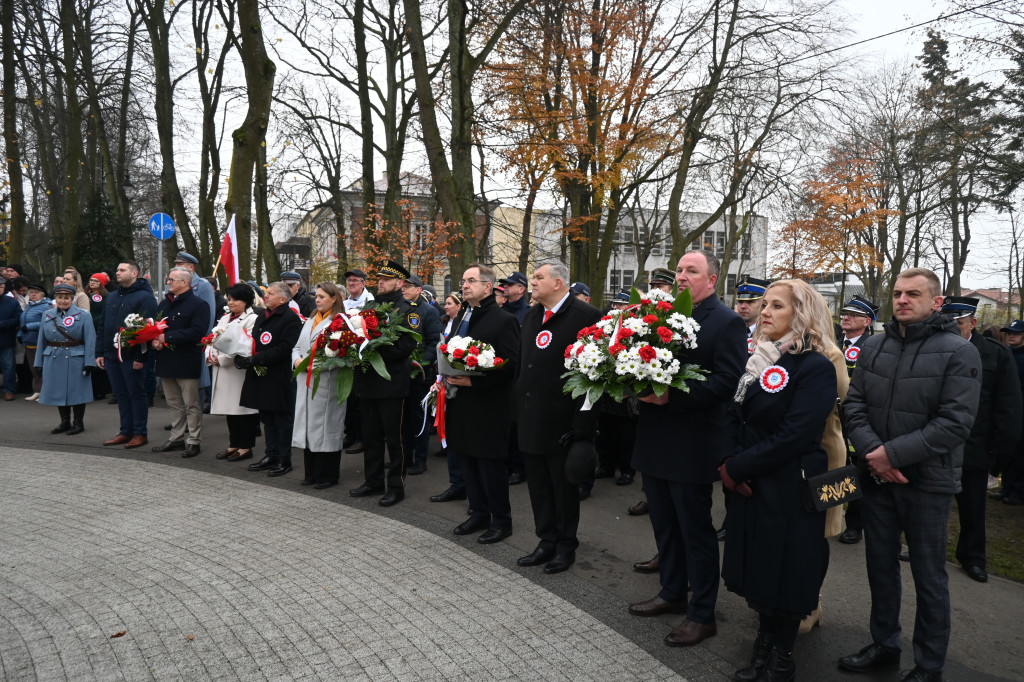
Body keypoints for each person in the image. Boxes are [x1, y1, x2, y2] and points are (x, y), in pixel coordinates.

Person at [838, 268, 981, 682]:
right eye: (898, 293)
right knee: (879, 567)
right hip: (878, 479)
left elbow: (955, 423)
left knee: (928, 576)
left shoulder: (958, 351)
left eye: (913, 294)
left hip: (928, 483)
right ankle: (884, 644)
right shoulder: (876, 347)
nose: (902, 300)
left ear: (936, 302)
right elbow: (855, 405)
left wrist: (891, 455)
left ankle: (929, 665)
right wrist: (873, 454)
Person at [721, 280, 839, 681]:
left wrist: (738, 467)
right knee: (760, 568)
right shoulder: (759, 359)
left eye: (777, 306)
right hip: (753, 483)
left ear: (800, 314)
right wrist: (727, 459)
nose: (764, 311)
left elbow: (796, 434)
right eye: (764, 304)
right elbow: (735, 415)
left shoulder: (815, 366)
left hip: (788, 486)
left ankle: (782, 657)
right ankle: (762, 648)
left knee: (786, 572)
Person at [628, 250, 746, 648]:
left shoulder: (726, 322)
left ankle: (703, 614)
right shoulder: (656, 316)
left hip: (692, 444)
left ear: (712, 280)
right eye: (679, 270)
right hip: (655, 439)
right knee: (664, 526)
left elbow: (727, 383)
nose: (681, 276)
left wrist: (670, 397)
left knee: (695, 533)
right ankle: (672, 592)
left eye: (691, 271)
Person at [514, 261, 602, 574]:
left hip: (563, 424)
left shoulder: (587, 317)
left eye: (538, 277)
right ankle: (546, 540)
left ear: (558, 283)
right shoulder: (531, 314)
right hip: (530, 418)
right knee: (538, 487)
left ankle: (566, 546)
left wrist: (582, 429)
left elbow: (595, 377)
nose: (532, 282)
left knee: (563, 490)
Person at [942, 297, 1021, 583]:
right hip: (934, 444)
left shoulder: (995, 354)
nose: (950, 330)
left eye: (958, 324)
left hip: (974, 446)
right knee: (929, 504)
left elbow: (1008, 404)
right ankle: (924, 549)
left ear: (973, 323)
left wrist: (999, 452)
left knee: (973, 507)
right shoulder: (932, 349)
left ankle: (973, 558)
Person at [443, 264, 520, 543]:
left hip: (489, 406)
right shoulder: (464, 314)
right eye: (463, 281)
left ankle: (501, 520)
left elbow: (511, 366)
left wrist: (474, 382)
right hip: (460, 403)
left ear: (488, 287)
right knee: (467, 460)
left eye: (471, 280)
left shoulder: (504, 320)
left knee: (490, 466)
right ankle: (478, 513)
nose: (464, 285)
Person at [348, 260, 417, 507]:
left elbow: (407, 346)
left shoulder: (408, 310)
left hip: (391, 384)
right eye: (379, 278)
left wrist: (371, 350)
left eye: (386, 279)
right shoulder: (370, 306)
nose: (381, 282)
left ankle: (396, 486)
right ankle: (373, 481)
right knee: (371, 437)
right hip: (367, 383)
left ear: (399, 283)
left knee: (394, 439)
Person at [236, 282, 303, 477]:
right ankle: (270, 454)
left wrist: (255, 359)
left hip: (279, 376)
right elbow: (255, 341)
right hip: (261, 374)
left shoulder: (290, 318)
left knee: (281, 419)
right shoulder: (262, 316)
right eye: (267, 293)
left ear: (283, 299)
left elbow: (285, 347)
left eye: (271, 294)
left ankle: (284, 458)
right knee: (267, 418)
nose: (266, 296)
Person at [291, 282, 348, 488]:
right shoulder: (310, 319)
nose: (317, 299)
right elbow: (297, 346)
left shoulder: (341, 322)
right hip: (305, 380)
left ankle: (328, 475)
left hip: (326, 382)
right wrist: (297, 360)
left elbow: (340, 352)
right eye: (317, 296)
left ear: (334, 298)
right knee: (308, 427)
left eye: (323, 296)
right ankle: (311, 472)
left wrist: (310, 364)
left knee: (326, 428)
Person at [150, 267, 211, 457]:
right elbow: (156, 328)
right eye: (169, 280)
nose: (168, 283)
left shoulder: (199, 304)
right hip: (166, 359)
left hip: (186, 359)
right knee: (174, 403)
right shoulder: (164, 304)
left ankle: (194, 440)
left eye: (171, 280)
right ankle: (176, 438)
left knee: (191, 404)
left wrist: (166, 337)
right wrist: (155, 341)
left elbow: (197, 332)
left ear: (185, 283)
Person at [97, 261, 158, 449]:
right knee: (121, 394)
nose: (118, 273)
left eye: (122, 270)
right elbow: (103, 325)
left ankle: (140, 433)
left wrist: (141, 357)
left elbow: (147, 328)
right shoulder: (113, 296)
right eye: (117, 270)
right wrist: (100, 352)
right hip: (112, 354)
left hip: (132, 356)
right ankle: (125, 431)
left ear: (134, 273)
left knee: (136, 394)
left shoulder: (145, 297)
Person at [836, 294, 879, 545]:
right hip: (831, 416)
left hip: (857, 417)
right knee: (833, 467)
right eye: (845, 314)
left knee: (856, 472)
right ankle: (830, 516)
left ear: (867, 321)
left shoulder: (872, 347)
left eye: (853, 315)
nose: (846, 317)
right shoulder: (833, 341)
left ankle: (854, 525)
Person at [33, 284, 98, 434]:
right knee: (58, 390)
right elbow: (41, 340)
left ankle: (78, 423)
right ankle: (64, 422)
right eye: (60, 297)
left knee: (77, 391)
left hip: (76, 357)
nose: (63, 301)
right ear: (55, 299)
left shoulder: (84, 315)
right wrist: (38, 362)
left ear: (72, 299)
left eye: (66, 298)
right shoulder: (47, 315)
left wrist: (90, 362)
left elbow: (90, 340)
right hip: (54, 357)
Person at [206, 283, 260, 463]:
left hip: (238, 371)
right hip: (222, 370)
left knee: (243, 410)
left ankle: (246, 447)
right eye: (229, 299)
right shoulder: (225, 318)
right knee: (230, 411)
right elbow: (213, 338)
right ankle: (233, 444)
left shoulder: (252, 318)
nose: (231, 303)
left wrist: (221, 359)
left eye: (235, 299)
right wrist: (210, 354)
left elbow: (245, 346)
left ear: (245, 301)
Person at [401, 274, 444, 476]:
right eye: (403, 286)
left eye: (408, 286)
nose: (404, 289)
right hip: (401, 372)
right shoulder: (399, 308)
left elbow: (435, 341)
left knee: (419, 418)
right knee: (403, 419)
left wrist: (421, 363)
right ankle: (405, 457)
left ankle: (420, 459)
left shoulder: (429, 312)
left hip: (420, 374)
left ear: (419, 290)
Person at [430, 292, 469, 504]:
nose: (445, 306)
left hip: (464, 386)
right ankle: (457, 483)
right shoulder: (451, 323)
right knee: (451, 437)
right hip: (447, 382)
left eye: (449, 303)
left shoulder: (468, 321)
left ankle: (467, 486)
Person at [342, 268, 373, 455]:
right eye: (349, 281)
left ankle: (362, 438)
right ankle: (351, 433)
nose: (351, 283)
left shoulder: (371, 302)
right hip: (345, 356)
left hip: (363, 357)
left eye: (355, 280)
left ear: (363, 282)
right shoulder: (344, 303)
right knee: (348, 399)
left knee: (359, 400)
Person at [993, 319, 1024, 506]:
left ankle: (1018, 492)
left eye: (1016, 333)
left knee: (1020, 455)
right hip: (1011, 412)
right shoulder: (1009, 353)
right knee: (1009, 453)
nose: (1011, 335)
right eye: (1009, 332)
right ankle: (1007, 488)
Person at [19, 283, 51, 401]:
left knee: (41, 367)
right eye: (31, 292)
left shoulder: (46, 306)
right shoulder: (29, 306)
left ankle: (45, 391)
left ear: (42, 295)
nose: (33, 295)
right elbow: (22, 322)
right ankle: (38, 390)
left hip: (40, 341)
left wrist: (28, 326)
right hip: (28, 341)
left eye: (36, 293)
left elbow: (46, 322)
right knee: (34, 368)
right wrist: (20, 334)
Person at [87, 273, 112, 399]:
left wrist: (93, 320)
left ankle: (101, 389)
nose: (92, 282)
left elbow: (104, 313)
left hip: (98, 328)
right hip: (88, 328)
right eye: (91, 280)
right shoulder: (86, 295)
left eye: (96, 281)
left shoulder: (106, 297)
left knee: (99, 358)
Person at [0, 283, 22, 400]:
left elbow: (18, 319)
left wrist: (3, 324)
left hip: (6, 338)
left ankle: (9, 390)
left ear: (4, 288)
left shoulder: (11, 302)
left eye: (0, 286)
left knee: (8, 366)